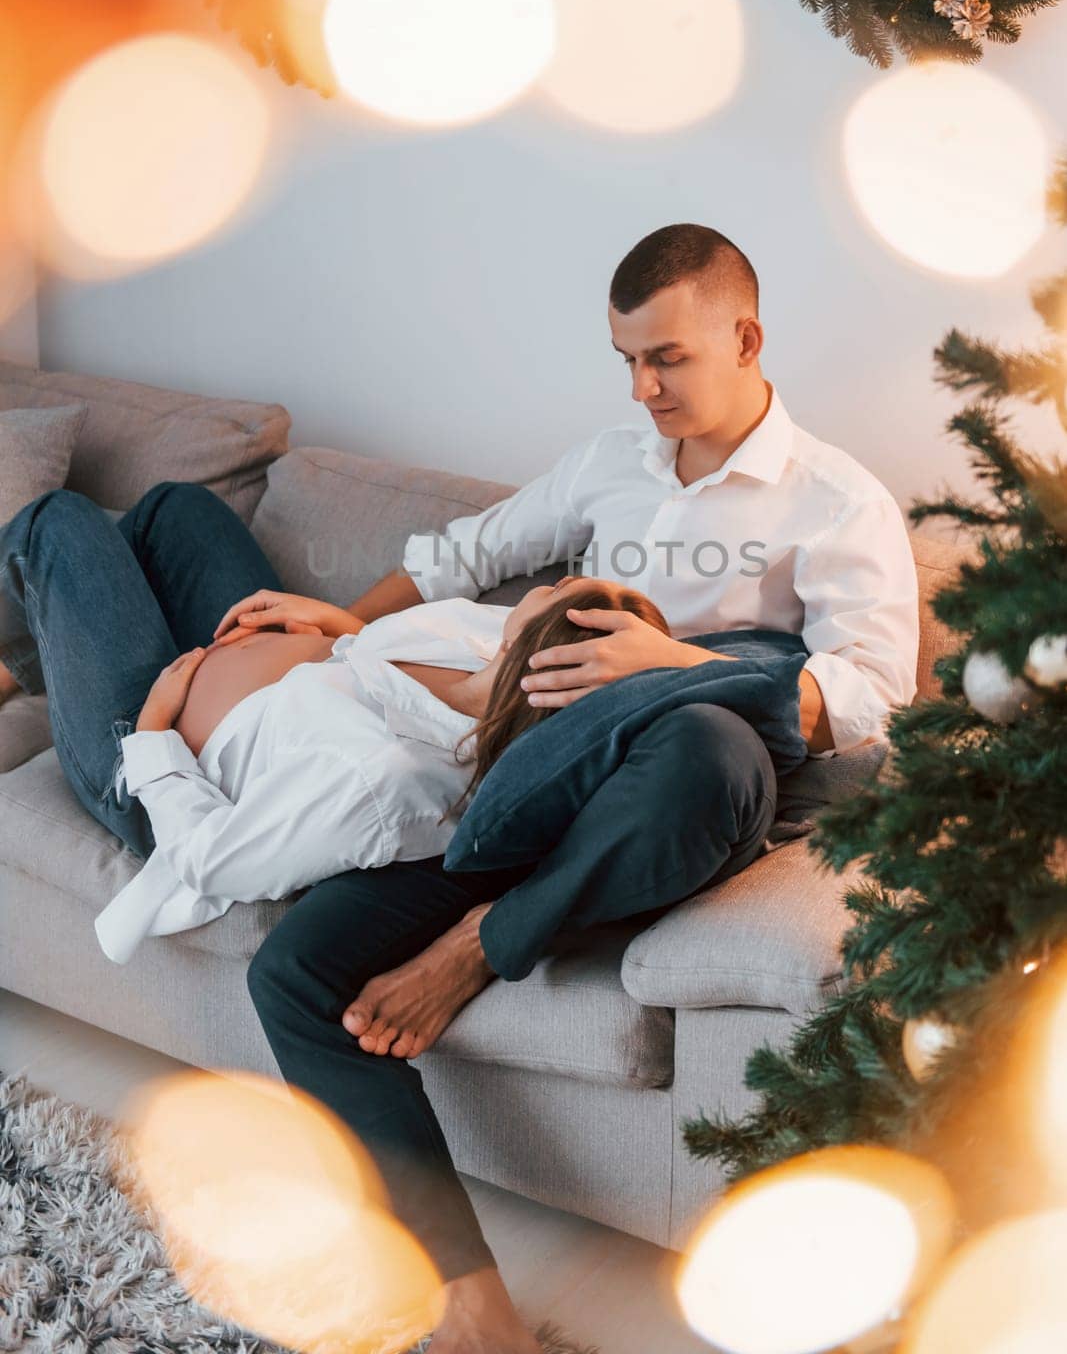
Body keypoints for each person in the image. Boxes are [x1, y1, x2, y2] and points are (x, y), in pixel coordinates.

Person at [221, 224, 921, 1353]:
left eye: (667, 358)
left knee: (702, 733)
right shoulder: (609, 463)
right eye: (626, 360)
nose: (643, 387)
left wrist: (676, 668)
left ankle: (481, 943)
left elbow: (873, 697)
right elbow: (466, 551)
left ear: (744, 338)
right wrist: (351, 620)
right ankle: (469, 1306)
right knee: (294, 967)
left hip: (687, 801)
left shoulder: (834, 500)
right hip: (535, 787)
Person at [0, 478, 681, 968]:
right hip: (238, 668)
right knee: (176, 510)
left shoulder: (388, 781)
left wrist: (153, 734)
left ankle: (49, 654)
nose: (581, 578)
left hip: (149, 759)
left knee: (55, 523)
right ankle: (47, 649)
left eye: (583, 598)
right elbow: (376, 674)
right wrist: (343, 628)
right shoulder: (487, 638)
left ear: (544, 665)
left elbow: (211, 860)